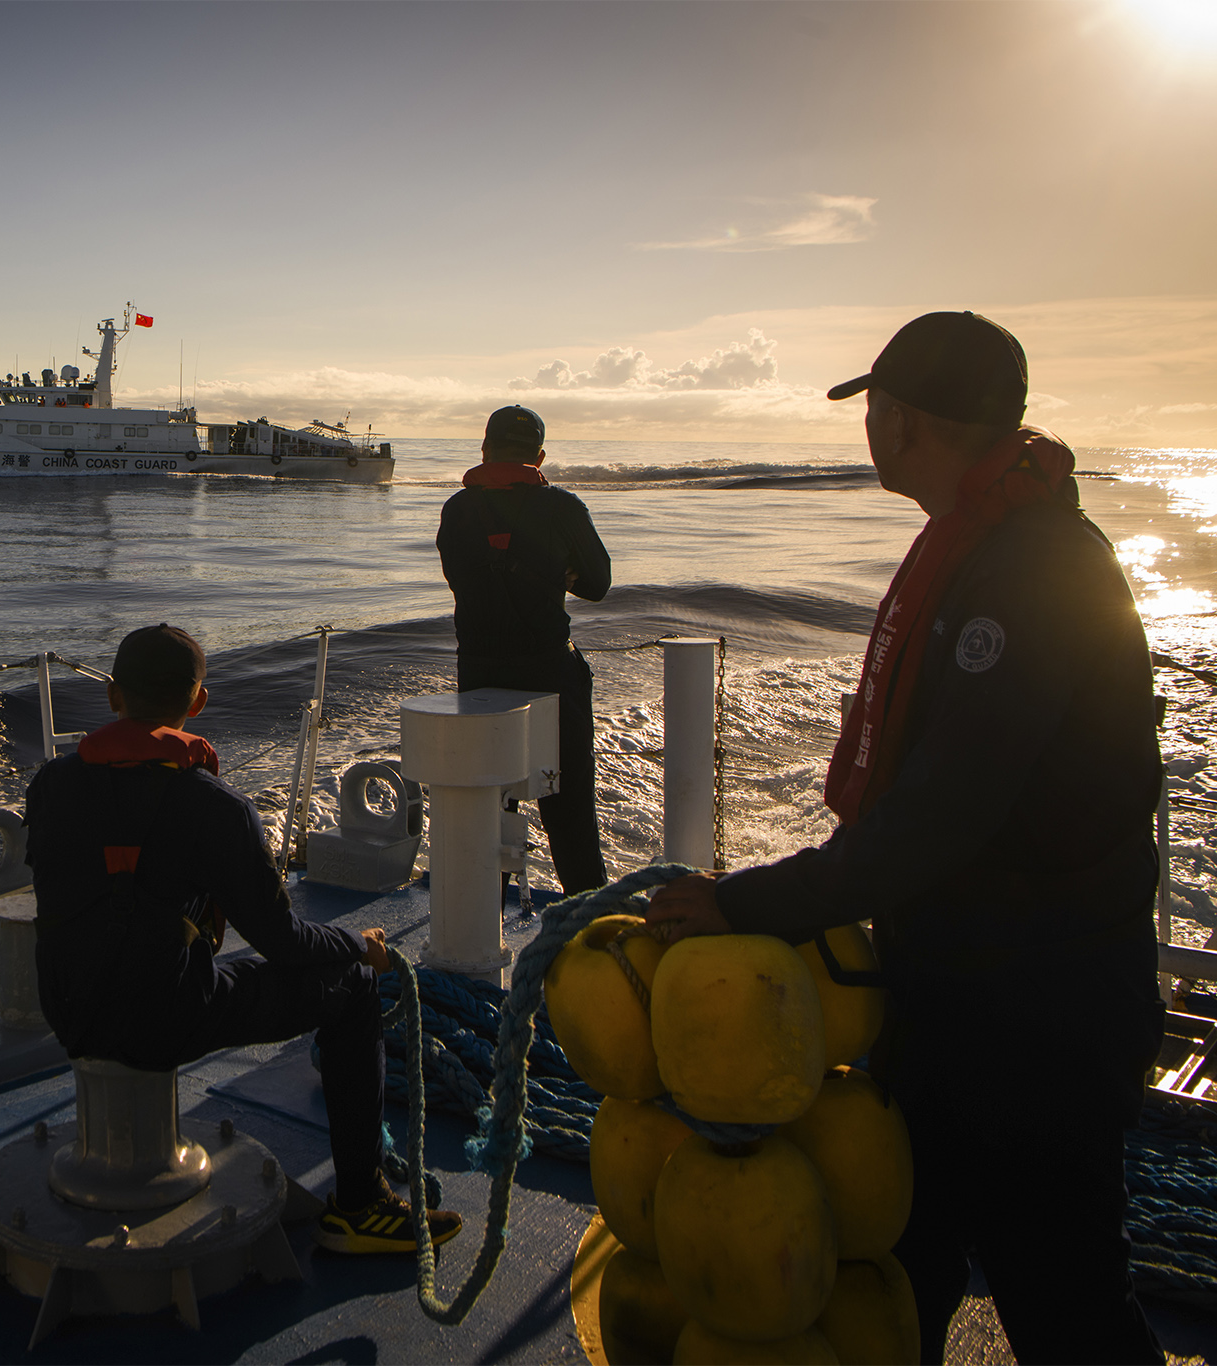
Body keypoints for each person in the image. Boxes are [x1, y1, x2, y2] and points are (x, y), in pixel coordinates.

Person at [646, 313, 1164, 1364]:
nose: (866, 427)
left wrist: (746, 904)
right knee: (902, 1266)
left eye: (873, 407)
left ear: (908, 421)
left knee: (1059, 1290)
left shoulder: (1029, 573)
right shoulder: (984, 540)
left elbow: (941, 813)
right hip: (960, 987)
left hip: (1035, 1016)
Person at [25, 624, 462, 1254]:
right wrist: (355, 947)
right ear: (198, 703)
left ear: (113, 696)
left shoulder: (49, 787)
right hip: (165, 1016)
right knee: (356, 986)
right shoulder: (214, 807)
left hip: (64, 1007)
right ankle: (361, 1207)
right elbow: (282, 941)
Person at [437, 405, 613, 893]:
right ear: (538, 456)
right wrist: (562, 572)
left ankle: (481, 922)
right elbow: (598, 584)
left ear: (485, 449)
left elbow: (461, 578)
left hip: (479, 677)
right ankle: (587, 920)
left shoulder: (456, 509)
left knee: (488, 807)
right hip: (549, 674)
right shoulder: (562, 507)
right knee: (570, 807)